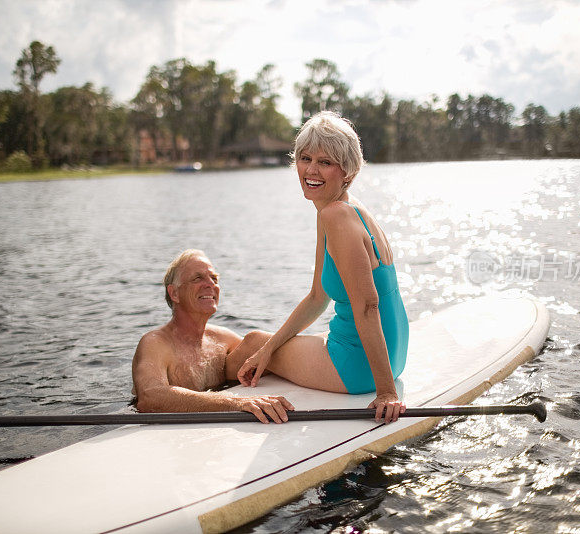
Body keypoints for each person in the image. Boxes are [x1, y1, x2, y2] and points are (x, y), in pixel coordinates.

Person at [237, 111, 410, 423]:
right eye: (305, 158)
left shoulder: (336, 216)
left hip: (360, 367)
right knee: (261, 347)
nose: (311, 170)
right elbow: (318, 296)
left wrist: (386, 392)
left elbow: (368, 305)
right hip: (394, 354)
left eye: (325, 162)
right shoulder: (344, 209)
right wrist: (269, 349)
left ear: (347, 171)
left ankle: (196, 395)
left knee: (249, 343)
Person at [132, 249, 294, 423]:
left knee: (257, 340)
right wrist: (235, 403)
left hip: (209, 426)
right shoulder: (156, 343)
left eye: (214, 279)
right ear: (174, 293)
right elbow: (151, 398)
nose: (211, 284)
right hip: (165, 434)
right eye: (197, 278)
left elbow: (260, 356)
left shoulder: (222, 340)